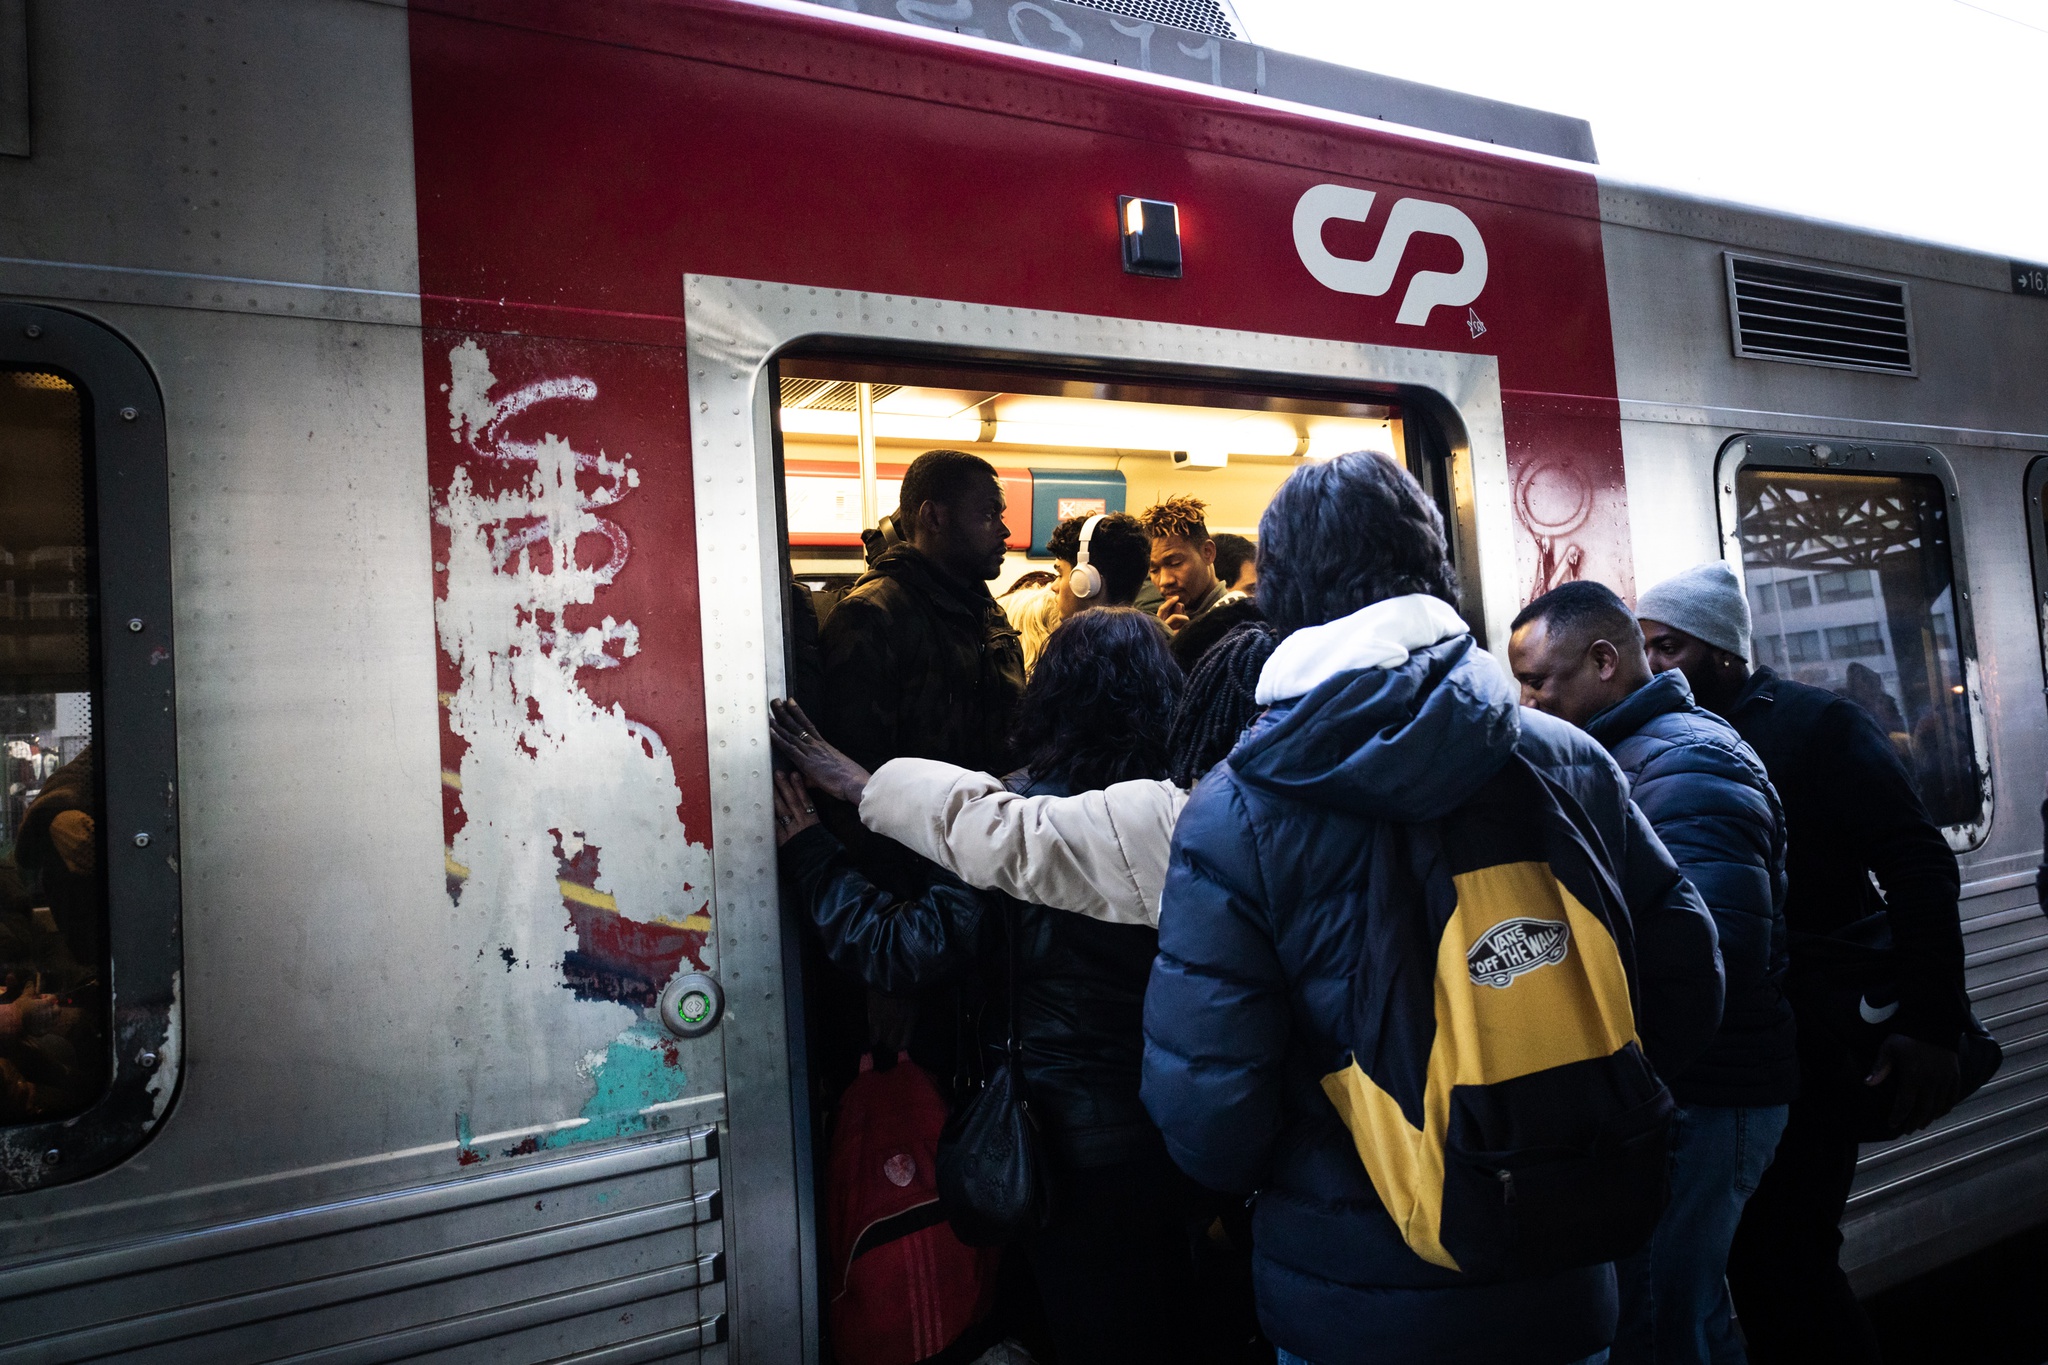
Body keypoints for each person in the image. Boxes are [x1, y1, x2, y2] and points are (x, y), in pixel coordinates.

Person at [1141, 452, 1722, 1365]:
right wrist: (1563, 1109)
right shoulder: (1568, 760)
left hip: (1352, 1302)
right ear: (1432, 573)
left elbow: (1207, 1117)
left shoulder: (1236, 810)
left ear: (1282, 599)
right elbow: (1690, 982)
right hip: (1564, 1283)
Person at [775, 608, 1200, 1365]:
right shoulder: (1187, 811)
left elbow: (899, 950)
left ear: (1049, 695)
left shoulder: (1003, 821)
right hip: (1172, 1129)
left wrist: (810, 850)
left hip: (1053, 1143)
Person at [1635, 561, 1966, 1365]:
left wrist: (1930, 1023)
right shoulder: (1674, 738)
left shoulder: (1820, 725)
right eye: (1643, 649)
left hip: (1818, 1039)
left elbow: (1918, 863)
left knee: (1786, 1262)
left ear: (1723, 649)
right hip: (1744, 1051)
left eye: (1669, 647)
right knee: (1756, 1265)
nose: (1653, 667)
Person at [1509, 581, 1794, 1365]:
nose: (1526, 701)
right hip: (1684, 1087)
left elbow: (1712, 962)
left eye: (1538, 680)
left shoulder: (1686, 761)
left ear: (1604, 661)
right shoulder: (1632, 756)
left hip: (1707, 1091)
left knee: (1676, 1321)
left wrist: (1630, 1086)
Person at [818, 449, 1025, 778]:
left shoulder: (989, 616)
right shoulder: (871, 617)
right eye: (989, 514)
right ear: (934, 518)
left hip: (984, 821)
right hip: (913, 826)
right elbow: (855, 774)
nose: (1005, 531)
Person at [1000, 511, 1153, 674]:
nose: (1054, 586)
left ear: (1086, 580)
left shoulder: (1077, 664)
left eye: (1060, 574)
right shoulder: (1152, 644)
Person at [1138, 495, 1246, 635]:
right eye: (1154, 570)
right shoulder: (1171, 623)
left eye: (1175, 564)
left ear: (1208, 552)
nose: (1164, 580)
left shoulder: (1236, 619)